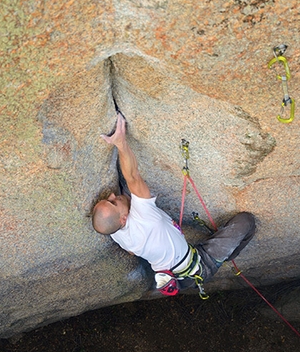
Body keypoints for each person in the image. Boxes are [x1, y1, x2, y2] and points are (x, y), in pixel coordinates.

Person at [92, 113, 255, 296]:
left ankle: (224, 252)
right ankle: (228, 254)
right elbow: (132, 176)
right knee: (247, 221)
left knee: (126, 192)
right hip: (201, 265)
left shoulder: (115, 232)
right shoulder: (144, 218)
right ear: (123, 219)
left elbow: (130, 251)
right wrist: (121, 142)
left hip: (174, 277)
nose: (113, 195)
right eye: (113, 202)